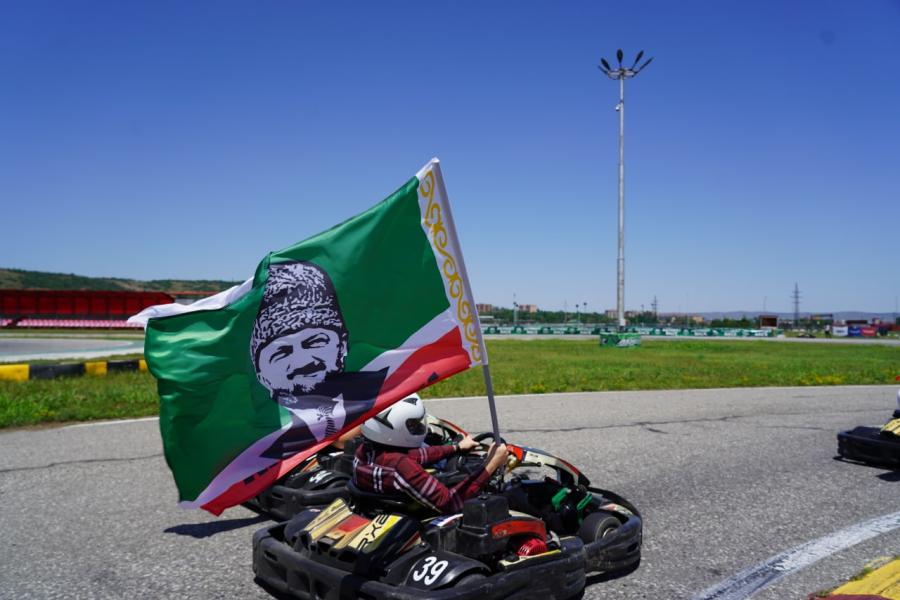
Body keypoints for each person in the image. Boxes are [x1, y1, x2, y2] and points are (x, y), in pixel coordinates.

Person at [249, 260, 387, 459]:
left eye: (315, 342)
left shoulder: (387, 391)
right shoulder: (260, 449)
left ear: (342, 344)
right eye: (281, 352)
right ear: (261, 373)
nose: (303, 362)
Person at [353, 394, 509, 514]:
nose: (420, 427)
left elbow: (414, 455)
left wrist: (456, 447)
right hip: (420, 514)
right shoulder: (402, 467)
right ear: (394, 429)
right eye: (413, 424)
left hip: (379, 507)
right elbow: (450, 502)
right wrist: (491, 464)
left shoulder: (364, 450)